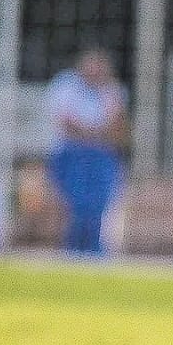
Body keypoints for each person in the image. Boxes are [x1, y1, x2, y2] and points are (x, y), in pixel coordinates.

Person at [44, 47, 129, 255]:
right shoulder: (66, 83)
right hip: (71, 155)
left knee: (98, 207)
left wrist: (93, 133)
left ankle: (96, 252)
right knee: (75, 206)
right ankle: (69, 250)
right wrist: (97, 133)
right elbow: (67, 125)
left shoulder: (112, 90)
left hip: (100, 158)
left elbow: (119, 130)